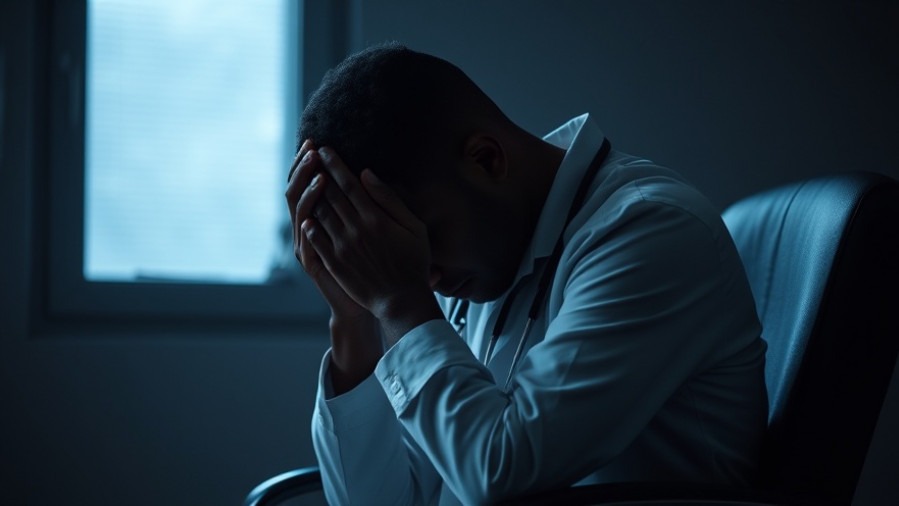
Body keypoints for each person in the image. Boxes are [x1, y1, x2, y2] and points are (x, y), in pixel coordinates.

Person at [284, 43, 768, 505]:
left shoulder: (651, 231)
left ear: (486, 160)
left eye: (426, 238)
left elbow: (500, 474)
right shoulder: (472, 259)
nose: (424, 277)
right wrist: (355, 318)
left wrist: (398, 303)